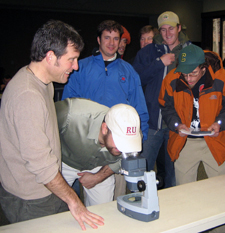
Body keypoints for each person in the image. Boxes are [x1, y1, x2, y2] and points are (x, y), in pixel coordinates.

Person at [0, 20, 104, 231]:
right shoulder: (27, 95)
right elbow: (41, 166)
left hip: (46, 189)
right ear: (50, 57)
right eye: (71, 60)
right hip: (30, 199)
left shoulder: (42, 82)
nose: (76, 67)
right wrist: (74, 200)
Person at [62, 20, 149, 199]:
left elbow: (139, 109)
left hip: (113, 147)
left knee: (108, 203)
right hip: (81, 142)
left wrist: (137, 143)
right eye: (107, 38)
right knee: (62, 202)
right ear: (98, 40)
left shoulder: (128, 71)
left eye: (116, 39)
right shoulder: (80, 68)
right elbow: (68, 105)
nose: (111, 43)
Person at [132, 11, 191, 188]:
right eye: (163, 30)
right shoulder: (148, 53)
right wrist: (159, 63)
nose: (167, 33)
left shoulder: (190, 52)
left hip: (179, 124)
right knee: (142, 173)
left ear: (179, 28)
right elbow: (136, 79)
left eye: (171, 28)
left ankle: (173, 210)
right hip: (152, 124)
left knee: (175, 174)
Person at [158, 44, 225, 186]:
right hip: (185, 142)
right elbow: (166, 107)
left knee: (220, 188)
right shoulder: (172, 80)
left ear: (203, 68)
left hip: (214, 140)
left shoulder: (221, 79)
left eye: (193, 73)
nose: (188, 78)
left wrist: (220, 123)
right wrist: (177, 125)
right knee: (184, 190)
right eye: (184, 74)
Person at [55, 98, 142, 206]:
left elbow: (126, 158)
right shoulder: (69, 115)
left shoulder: (133, 135)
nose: (123, 148)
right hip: (63, 163)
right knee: (52, 208)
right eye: (120, 142)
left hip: (100, 165)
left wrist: (98, 177)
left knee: (103, 212)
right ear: (105, 128)